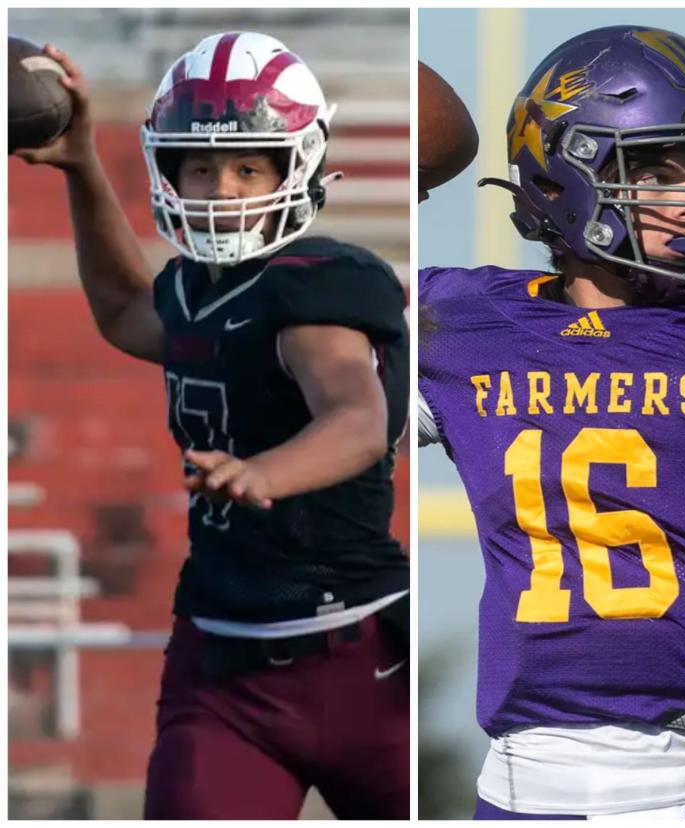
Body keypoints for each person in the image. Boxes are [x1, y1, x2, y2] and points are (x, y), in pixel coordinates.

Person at [418, 25, 685, 820]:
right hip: (526, 787)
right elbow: (304, 359)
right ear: (559, 178)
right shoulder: (457, 327)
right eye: (656, 174)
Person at [15, 32, 411, 819]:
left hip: (359, 654)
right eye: (200, 166)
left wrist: (264, 471)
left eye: (247, 167)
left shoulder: (318, 284)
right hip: (223, 662)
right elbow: (127, 313)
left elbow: (356, 419)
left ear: (294, 166)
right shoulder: (196, 287)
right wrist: (84, 165)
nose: (222, 188)